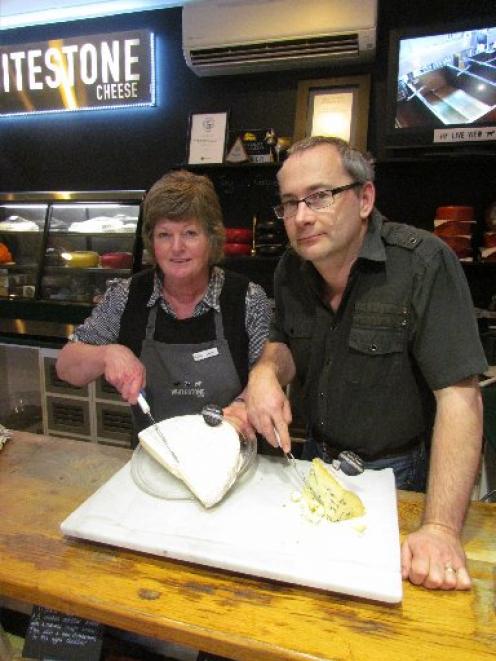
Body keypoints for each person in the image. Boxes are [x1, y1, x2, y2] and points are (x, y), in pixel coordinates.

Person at [245, 136, 488, 591]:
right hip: (314, 461)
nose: (301, 217)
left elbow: (460, 399)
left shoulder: (423, 263)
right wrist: (264, 373)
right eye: (290, 203)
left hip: (401, 480)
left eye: (319, 196)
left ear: (364, 198)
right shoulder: (290, 270)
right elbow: (282, 343)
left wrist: (439, 529)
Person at [56, 169, 270, 442]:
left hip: (232, 456)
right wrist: (107, 354)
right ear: (151, 241)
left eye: (190, 233)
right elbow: (66, 367)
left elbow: (269, 375)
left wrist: (243, 405)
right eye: (164, 235)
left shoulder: (247, 299)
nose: (176, 247)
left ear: (212, 238)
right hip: (156, 462)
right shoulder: (127, 296)